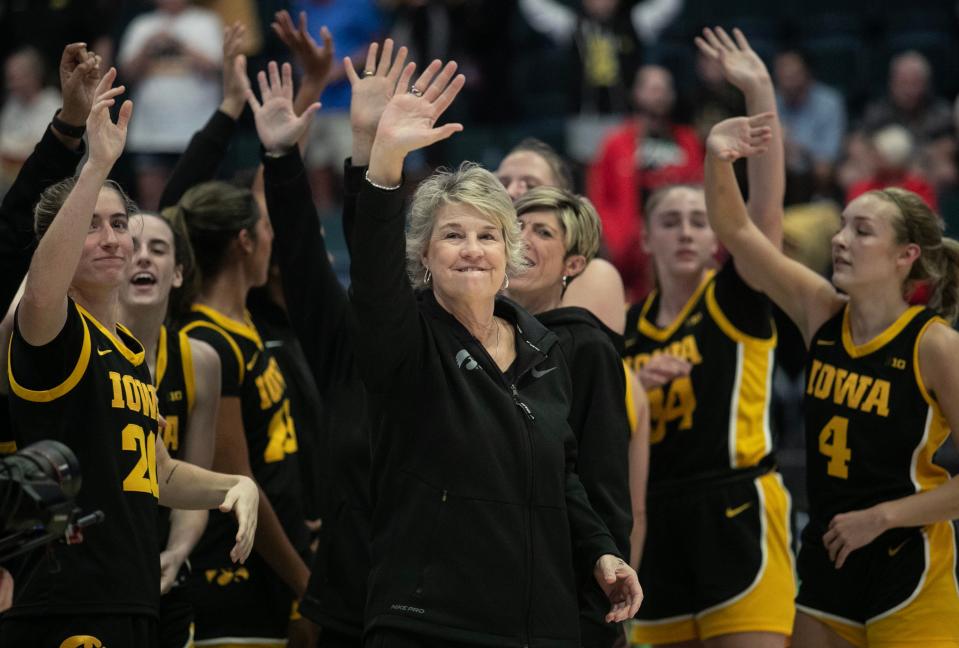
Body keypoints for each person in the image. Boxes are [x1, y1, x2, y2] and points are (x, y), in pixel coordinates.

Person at [349, 55, 642, 646]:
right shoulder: (406, 338)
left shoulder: (545, 348)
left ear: (509, 257)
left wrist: (601, 553)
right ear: (423, 257)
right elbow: (374, 274)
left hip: (541, 628)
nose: (472, 250)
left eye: (488, 237)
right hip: (428, 626)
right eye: (452, 235)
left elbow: (561, 477)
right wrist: (381, 161)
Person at [0, 67, 257, 648]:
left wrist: (231, 486)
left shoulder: (129, 351)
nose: (114, 238)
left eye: (119, 223)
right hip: (64, 603)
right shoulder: (50, 332)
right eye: (91, 227)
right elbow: (42, 288)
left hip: (132, 595)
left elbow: (158, 470)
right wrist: (94, 166)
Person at [703, 105, 959, 648]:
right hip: (826, 559)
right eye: (842, 226)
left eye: (862, 231)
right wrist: (718, 158)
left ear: (905, 256)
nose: (840, 239)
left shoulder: (935, 344)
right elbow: (737, 233)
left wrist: (882, 517)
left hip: (907, 567)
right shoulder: (820, 310)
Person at [623, 28, 795, 647]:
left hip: (737, 507)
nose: (687, 232)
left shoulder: (733, 297)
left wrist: (758, 90)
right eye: (670, 222)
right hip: (655, 518)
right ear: (646, 240)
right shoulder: (624, 328)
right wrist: (631, 388)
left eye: (700, 219)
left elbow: (767, 214)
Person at [505, 185, 641, 647]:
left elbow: (604, 489)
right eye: (516, 226)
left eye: (542, 231)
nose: (522, 238)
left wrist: (595, 614)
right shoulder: (471, 337)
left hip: (563, 605)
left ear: (574, 266)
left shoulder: (587, 348)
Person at [118, 207, 222, 648]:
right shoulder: (79, 348)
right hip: (96, 570)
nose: (143, 257)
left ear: (177, 273)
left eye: (158, 249)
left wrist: (178, 553)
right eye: (131, 248)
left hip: (164, 572)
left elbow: (191, 494)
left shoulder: (201, 361)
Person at [587, 63, 703, 299]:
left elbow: (701, 192)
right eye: (652, 88)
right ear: (636, 93)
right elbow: (598, 197)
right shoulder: (615, 143)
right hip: (628, 251)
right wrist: (613, 243)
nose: (658, 95)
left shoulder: (688, 140)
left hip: (676, 244)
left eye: (664, 89)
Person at [116, 0, 224, 210]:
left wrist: (179, 43)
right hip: (150, 134)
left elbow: (217, 66)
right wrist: (148, 46)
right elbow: (126, 73)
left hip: (198, 131)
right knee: (151, 202)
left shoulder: (206, 22)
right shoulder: (141, 25)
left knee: (199, 204)